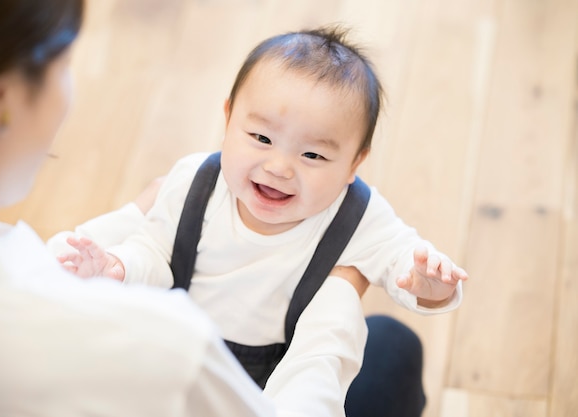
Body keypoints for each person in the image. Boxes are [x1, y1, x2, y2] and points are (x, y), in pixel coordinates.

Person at [0, 2, 373, 416]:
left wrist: (132, 219)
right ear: (0, 102)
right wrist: (339, 298)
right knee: (394, 348)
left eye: (312, 154)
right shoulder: (170, 347)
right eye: (64, 65)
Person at [51, 27, 469, 415]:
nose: (279, 167)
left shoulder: (357, 214)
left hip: (277, 380)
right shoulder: (194, 183)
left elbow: (401, 257)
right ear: (229, 117)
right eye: (262, 138)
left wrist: (429, 286)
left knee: (396, 342)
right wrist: (118, 267)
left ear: (354, 163)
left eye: (313, 156)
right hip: (174, 358)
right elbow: (155, 250)